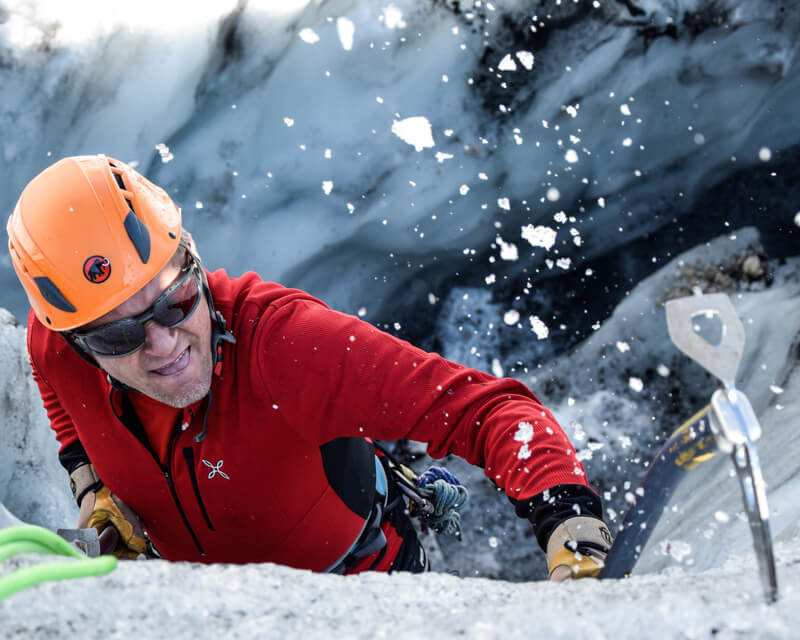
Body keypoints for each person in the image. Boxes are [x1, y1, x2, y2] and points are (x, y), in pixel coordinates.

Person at [7, 154, 611, 579]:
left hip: (362, 583)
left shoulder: (285, 348)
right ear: (77, 340)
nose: (164, 343)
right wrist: (93, 483)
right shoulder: (55, 346)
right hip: (193, 605)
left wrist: (569, 525)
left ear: (194, 262)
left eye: (177, 300)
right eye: (116, 334)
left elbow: (489, 410)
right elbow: (62, 404)